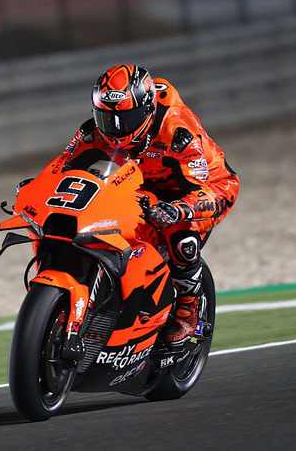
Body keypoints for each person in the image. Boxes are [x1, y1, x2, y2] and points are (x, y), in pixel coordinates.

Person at [63, 64, 240, 345]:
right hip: (145, 185)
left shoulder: (177, 131)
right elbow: (63, 168)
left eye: (127, 118)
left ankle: (189, 311)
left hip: (208, 186)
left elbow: (201, 190)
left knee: (181, 235)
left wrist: (179, 209)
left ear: (147, 109)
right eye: (107, 118)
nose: (116, 129)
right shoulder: (94, 130)